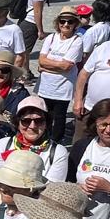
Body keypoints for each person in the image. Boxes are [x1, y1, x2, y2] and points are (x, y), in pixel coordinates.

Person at [0, 96, 71, 184]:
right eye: (26, 121)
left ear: (46, 123)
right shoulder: (3, 145)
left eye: (39, 121)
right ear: (18, 123)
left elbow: (53, 187)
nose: (32, 126)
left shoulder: (58, 152)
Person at [36, 8, 85, 143]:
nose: (66, 24)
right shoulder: (51, 38)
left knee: (59, 117)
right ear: (58, 23)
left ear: (75, 24)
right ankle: (42, 139)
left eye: (70, 22)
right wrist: (56, 66)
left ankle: (56, 142)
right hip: (45, 86)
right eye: (62, 21)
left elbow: (66, 67)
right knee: (44, 114)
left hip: (63, 87)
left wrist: (45, 68)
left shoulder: (77, 41)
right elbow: (41, 60)